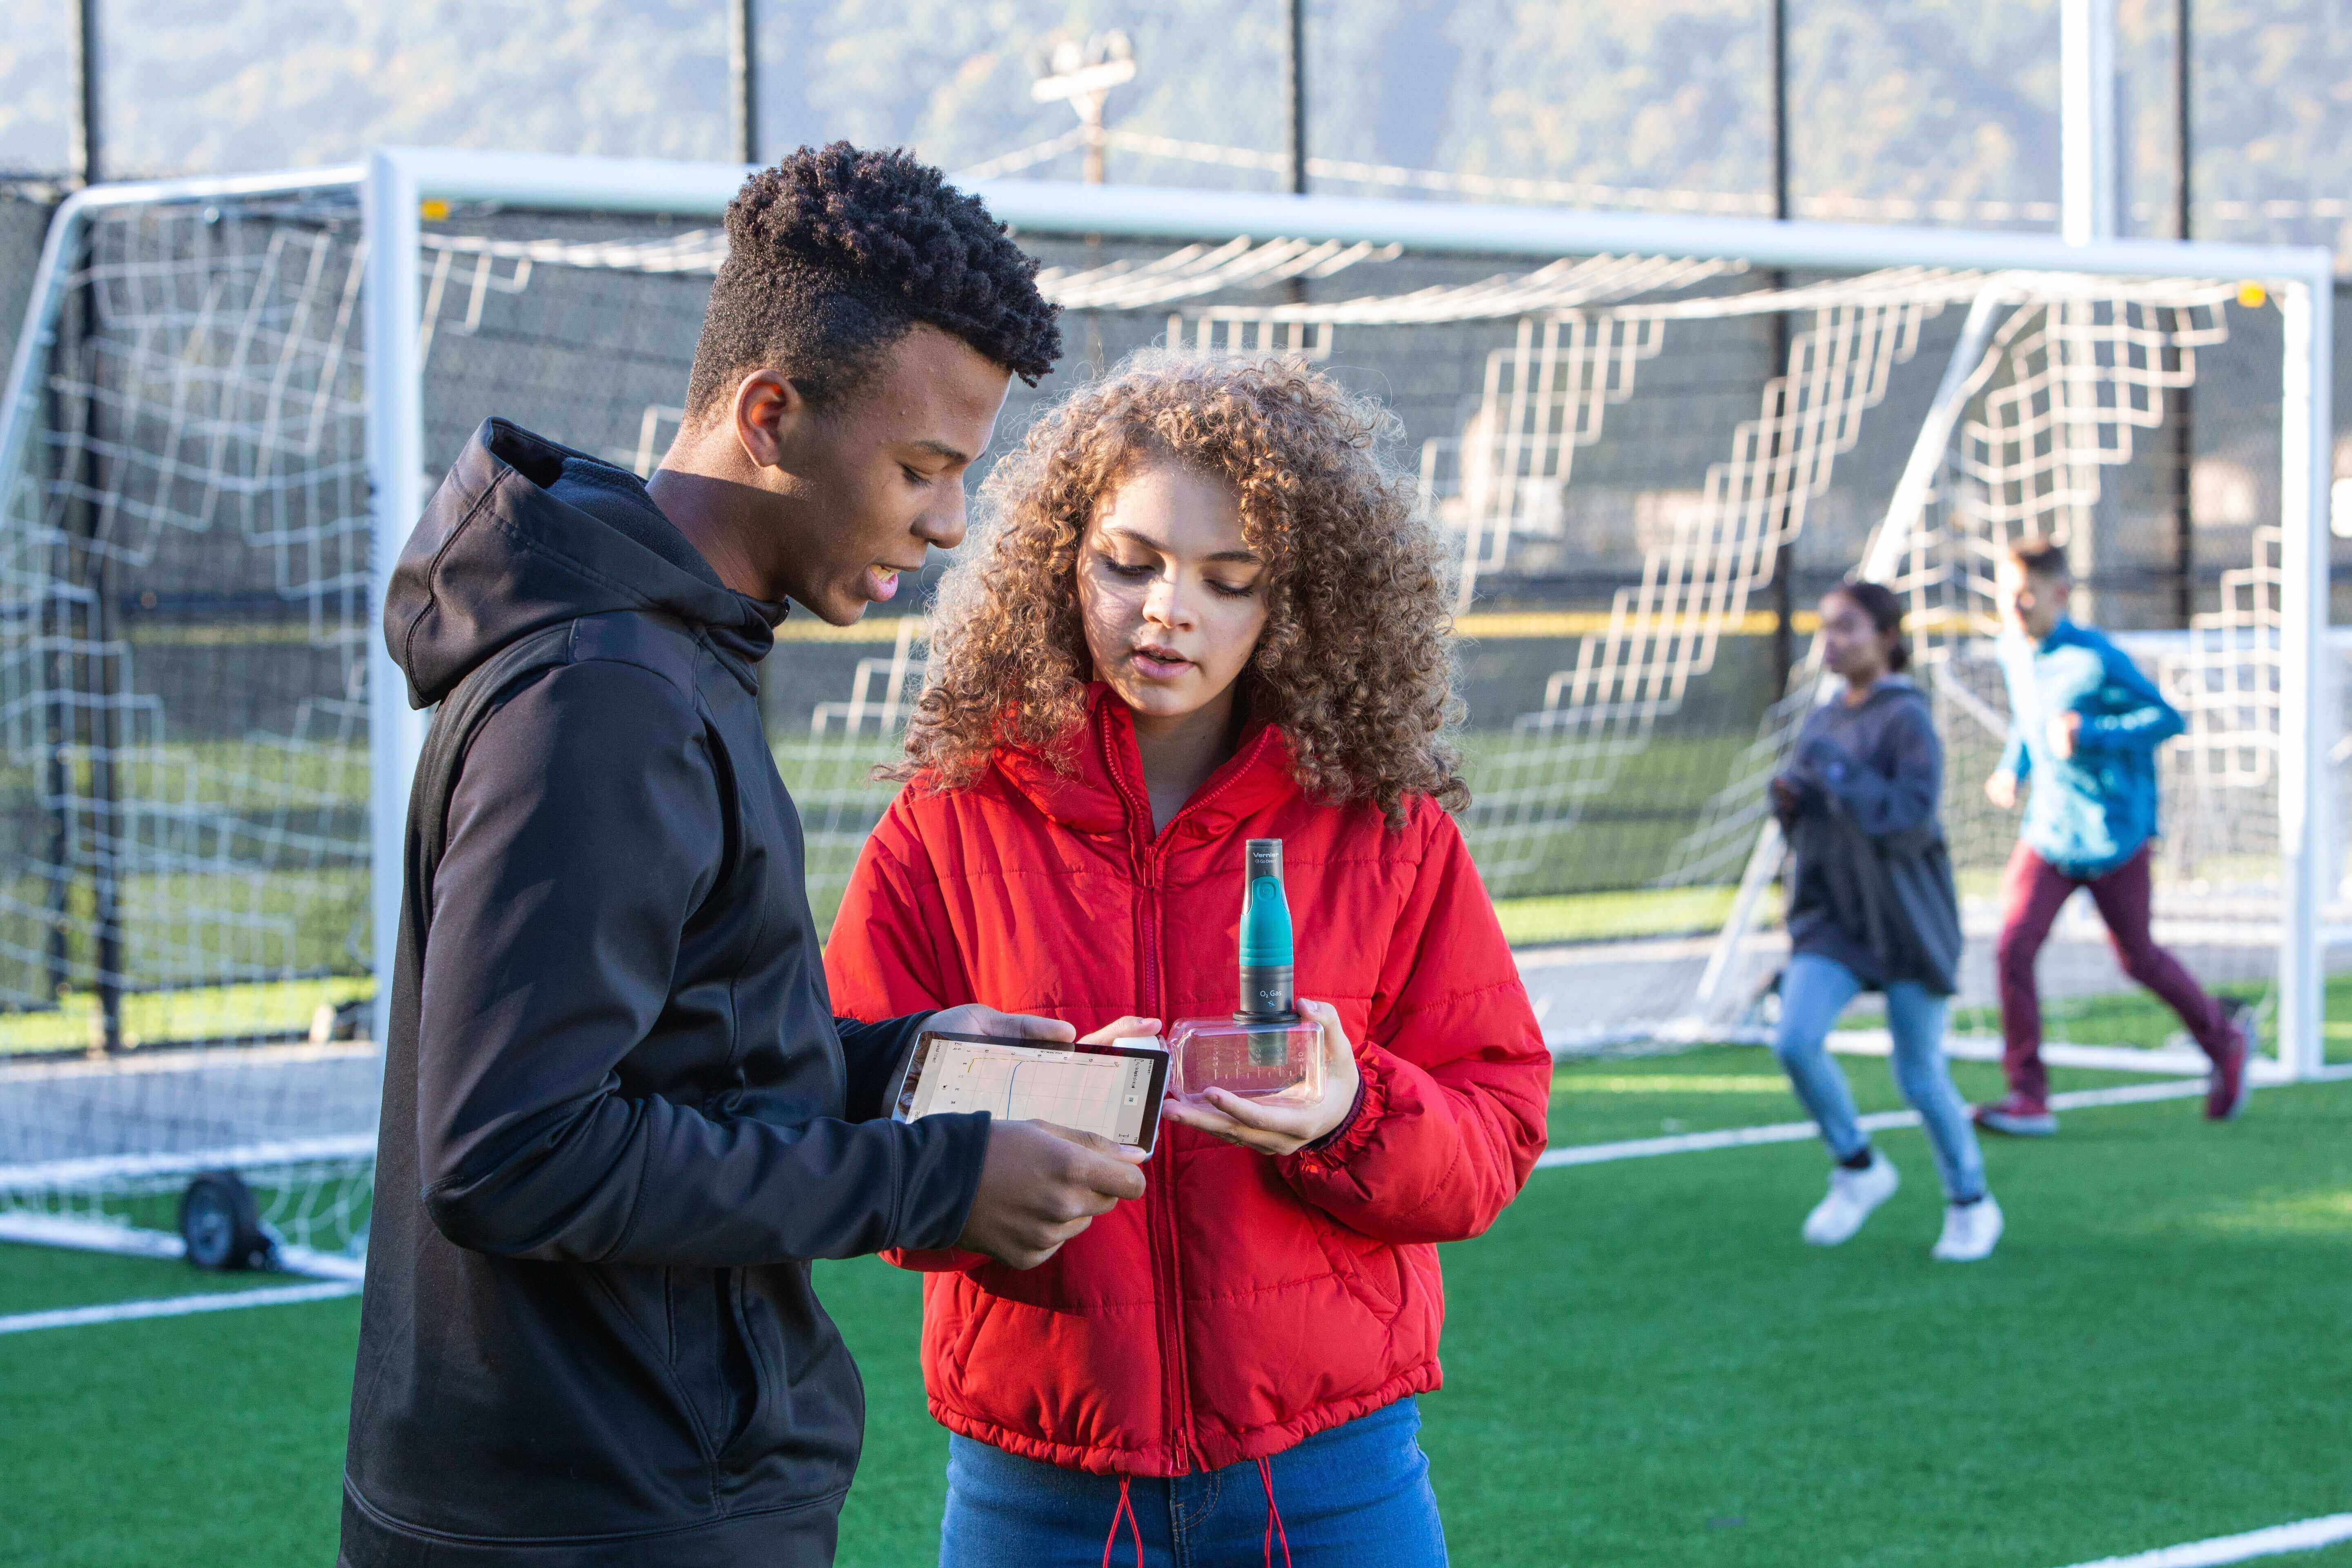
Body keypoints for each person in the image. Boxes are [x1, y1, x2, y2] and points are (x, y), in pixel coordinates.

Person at [341, 146, 1156, 1568]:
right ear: (771, 413)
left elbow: (668, 1059)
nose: (949, 521)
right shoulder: (604, 697)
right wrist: (927, 1181)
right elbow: (514, 1153)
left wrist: (890, 1066)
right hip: (604, 1517)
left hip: (630, 1490)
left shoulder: (670, 654)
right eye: (923, 468)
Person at [824, 354, 1552, 1567]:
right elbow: (847, 1121)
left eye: (1229, 581)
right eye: (1131, 561)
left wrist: (1349, 1115)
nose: (1169, 610)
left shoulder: (1388, 829)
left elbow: (1497, 1132)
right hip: (1040, 1480)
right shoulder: (945, 820)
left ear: (1295, 605)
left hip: (1331, 1472)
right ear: (1061, 558)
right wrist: (988, 1170)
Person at [1975, 538, 2254, 1137]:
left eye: (2025, 594)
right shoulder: (2012, 651)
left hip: (2113, 836)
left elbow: (2166, 718)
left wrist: (2094, 731)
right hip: (2049, 833)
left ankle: (2222, 1039)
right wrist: (2013, 768)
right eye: (2006, 594)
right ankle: (2028, 1096)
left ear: (2059, 594)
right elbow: (2033, 724)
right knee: (2012, 949)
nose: (2015, 606)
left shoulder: (2096, 658)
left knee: (2138, 960)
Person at [1767, 581, 2001, 1262]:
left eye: (1847, 628)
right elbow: (1809, 815)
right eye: (1825, 628)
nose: (1831, 641)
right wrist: (1790, 800)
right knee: (1795, 1040)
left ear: (1888, 638)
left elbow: (1907, 820)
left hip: (1908, 922)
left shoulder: (1907, 719)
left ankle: (1971, 1203)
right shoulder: (1822, 718)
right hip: (1834, 922)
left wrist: (1837, 773)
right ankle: (1859, 1167)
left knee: (1920, 1075)